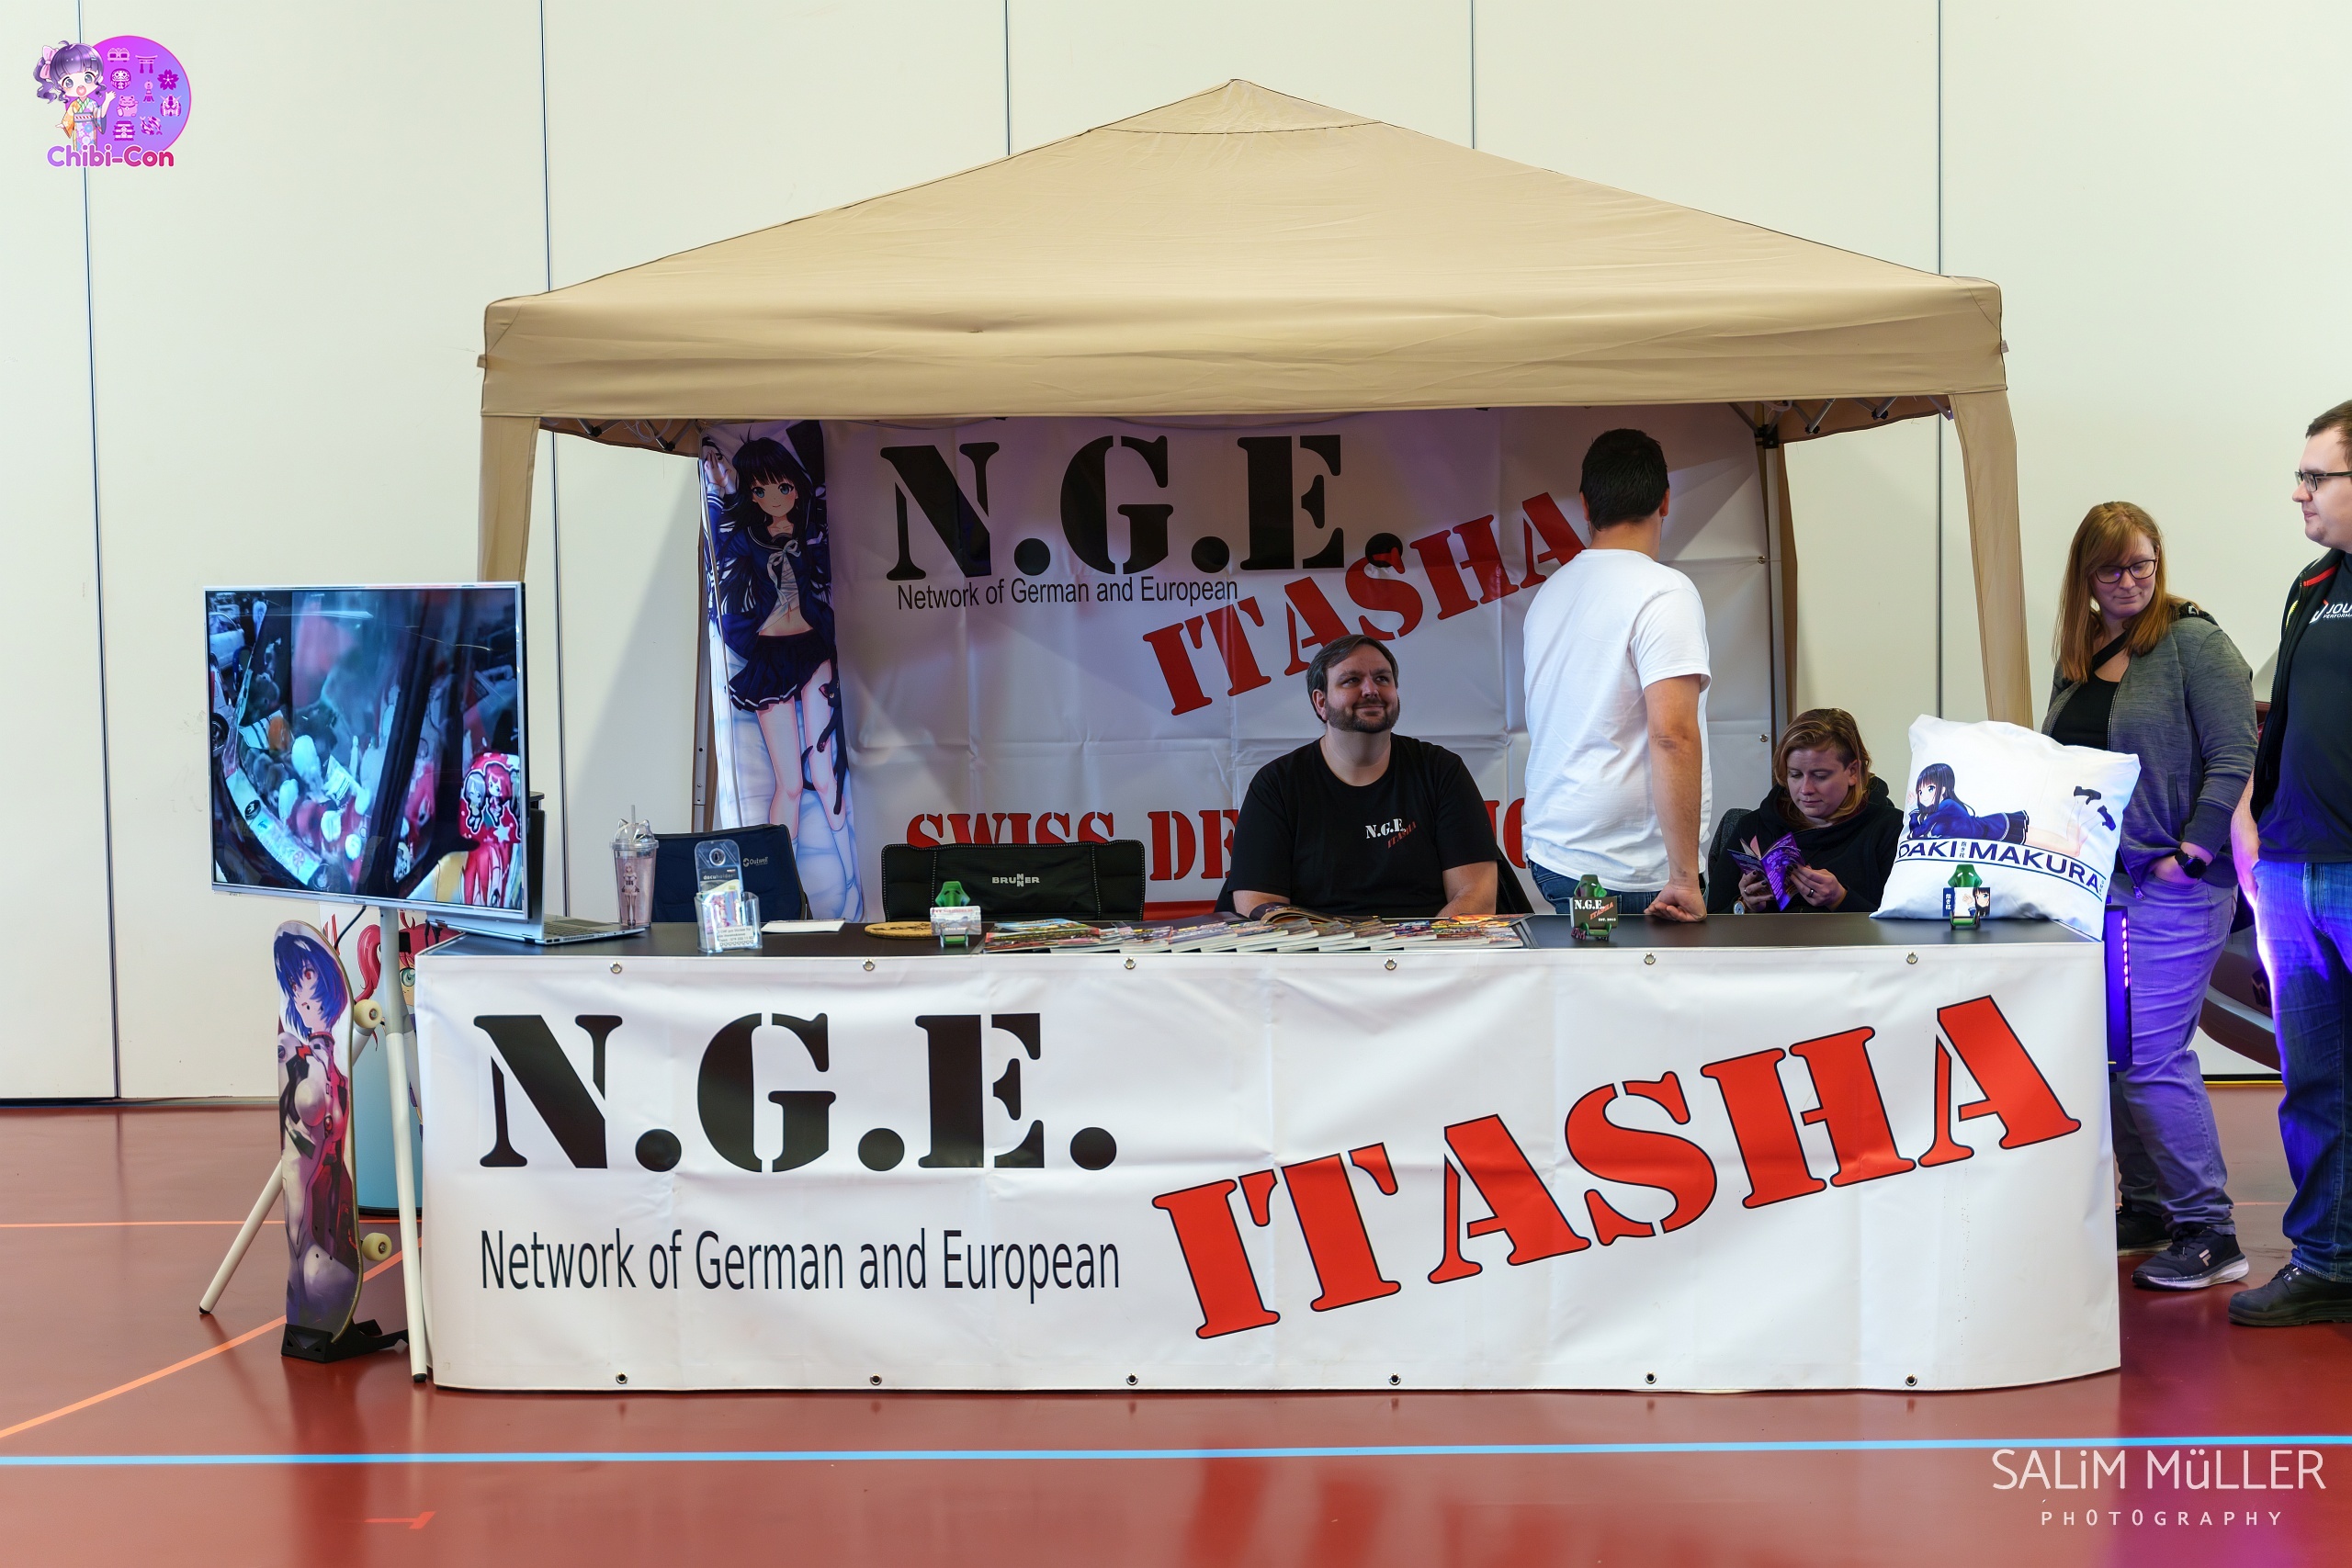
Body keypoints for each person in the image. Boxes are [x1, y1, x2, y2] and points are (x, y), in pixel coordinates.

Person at [2041, 502, 2255, 1292]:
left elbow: (2234, 754)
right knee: (2114, 1053)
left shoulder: (2193, 642)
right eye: (2112, 568)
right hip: (2099, 885)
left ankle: (2210, 1230)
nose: (2130, 580)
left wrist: (2192, 854)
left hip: (2175, 885)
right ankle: (2152, 1204)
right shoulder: (2078, 652)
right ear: (2085, 577)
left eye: (2143, 564)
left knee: (2153, 1056)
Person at [2229, 400, 2352, 1325]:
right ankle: (2328, 1259)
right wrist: (2249, 812)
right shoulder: (2310, 585)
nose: (2298, 492)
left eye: (2317, 476)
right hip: (2293, 869)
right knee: (2315, 1081)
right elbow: (2280, 717)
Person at [1521, 428, 1709, 920]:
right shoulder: (1664, 592)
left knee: (1592, 970)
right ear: (1665, 500)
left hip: (1557, 858)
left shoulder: (1550, 593)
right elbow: (1672, 735)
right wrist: (1684, 878)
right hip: (1630, 872)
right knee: (1639, 973)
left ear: (1584, 506)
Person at [1226, 635, 1498, 919]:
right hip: (1315, 946)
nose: (1371, 690)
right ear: (1321, 702)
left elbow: (1476, 896)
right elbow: (1258, 905)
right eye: (1351, 680)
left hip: (1428, 944)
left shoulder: (1441, 771)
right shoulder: (1276, 785)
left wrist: (1420, 944)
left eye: (1382, 679)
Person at [1704, 709, 1901, 915]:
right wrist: (1745, 906)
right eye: (1795, 775)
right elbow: (1713, 921)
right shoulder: (1752, 827)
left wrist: (1841, 899)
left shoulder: (1891, 831)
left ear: (1853, 772)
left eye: (1820, 776)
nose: (1806, 789)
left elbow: (1903, 927)